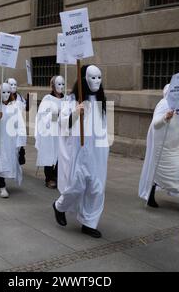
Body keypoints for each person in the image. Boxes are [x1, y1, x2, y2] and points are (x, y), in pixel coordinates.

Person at [53, 65, 110, 238]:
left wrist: (105, 149)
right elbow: (62, 124)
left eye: (99, 77)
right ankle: (59, 206)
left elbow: (105, 128)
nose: (97, 81)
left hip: (97, 153)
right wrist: (75, 113)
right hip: (79, 152)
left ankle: (89, 222)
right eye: (93, 77)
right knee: (77, 185)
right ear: (84, 79)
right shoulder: (72, 100)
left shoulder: (101, 102)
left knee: (97, 189)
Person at [138, 84, 179, 213]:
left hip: (173, 146)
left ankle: (151, 195)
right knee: (172, 172)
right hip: (161, 147)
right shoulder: (163, 104)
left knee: (176, 171)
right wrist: (165, 118)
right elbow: (155, 124)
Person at [0, 83, 27, 198]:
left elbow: (19, 123)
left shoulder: (14, 106)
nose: (6, 94)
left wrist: (21, 140)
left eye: (8, 92)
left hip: (10, 141)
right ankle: (2, 186)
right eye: (3, 92)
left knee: (8, 162)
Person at [35, 75, 66, 189]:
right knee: (49, 154)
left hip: (62, 132)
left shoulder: (66, 99)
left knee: (61, 155)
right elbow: (42, 117)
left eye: (63, 84)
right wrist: (55, 114)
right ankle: (49, 178)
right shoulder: (47, 99)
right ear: (53, 86)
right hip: (50, 132)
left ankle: (56, 176)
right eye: (59, 84)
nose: (61, 86)